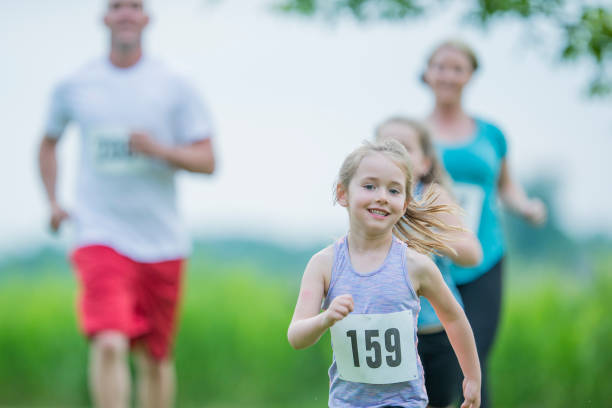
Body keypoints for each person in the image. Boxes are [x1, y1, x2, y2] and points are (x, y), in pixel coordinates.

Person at [37, 1, 216, 407]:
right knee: (109, 342)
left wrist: (159, 150)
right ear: (104, 18)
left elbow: (208, 160)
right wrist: (52, 201)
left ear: (147, 19)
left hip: (162, 240)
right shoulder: (75, 84)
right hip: (98, 232)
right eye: (117, 6)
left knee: (154, 358)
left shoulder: (176, 82)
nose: (126, 14)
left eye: (134, 6)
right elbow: (48, 144)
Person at [287, 140, 481, 408]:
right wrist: (326, 318)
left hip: (406, 403)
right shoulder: (324, 264)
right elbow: (296, 336)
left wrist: (472, 377)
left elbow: (454, 317)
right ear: (343, 193)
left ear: (404, 203)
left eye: (393, 190)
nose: (381, 196)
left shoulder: (417, 265)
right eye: (369, 186)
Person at [421, 40, 547, 408]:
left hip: (483, 258)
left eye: (457, 67)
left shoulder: (492, 133)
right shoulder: (411, 134)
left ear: (470, 75)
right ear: (428, 73)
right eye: (440, 66)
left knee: (474, 358)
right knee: (432, 364)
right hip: (427, 263)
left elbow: (507, 185)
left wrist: (527, 207)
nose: (448, 74)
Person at [376, 117, 483, 408]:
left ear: (424, 163)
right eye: (384, 147)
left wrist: (427, 239)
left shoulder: (431, 195)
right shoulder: (370, 199)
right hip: (385, 330)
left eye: (404, 148)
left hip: (434, 332)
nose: (394, 154)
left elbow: (472, 252)